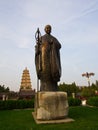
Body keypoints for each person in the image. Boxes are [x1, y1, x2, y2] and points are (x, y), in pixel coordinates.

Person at [35, 25, 61, 91]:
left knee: (52, 73)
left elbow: (59, 45)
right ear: (45, 29)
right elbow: (37, 46)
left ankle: (53, 88)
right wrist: (37, 50)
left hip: (52, 59)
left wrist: (53, 43)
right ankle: (44, 88)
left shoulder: (53, 38)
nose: (48, 29)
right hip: (43, 58)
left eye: (49, 28)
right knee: (44, 73)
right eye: (47, 28)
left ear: (51, 30)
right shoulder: (41, 38)